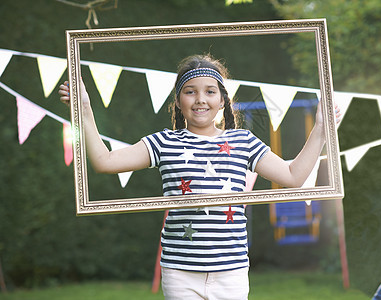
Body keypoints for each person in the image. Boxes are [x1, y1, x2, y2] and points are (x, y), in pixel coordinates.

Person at [59, 54, 341, 300]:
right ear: (178, 101)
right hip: (180, 272)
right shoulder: (164, 143)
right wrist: (83, 109)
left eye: (210, 92)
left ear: (222, 101)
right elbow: (104, 161)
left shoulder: (243, 141)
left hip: (231, 271)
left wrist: (320, 129)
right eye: (190, 92)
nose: (200, 99)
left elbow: (293, 176)